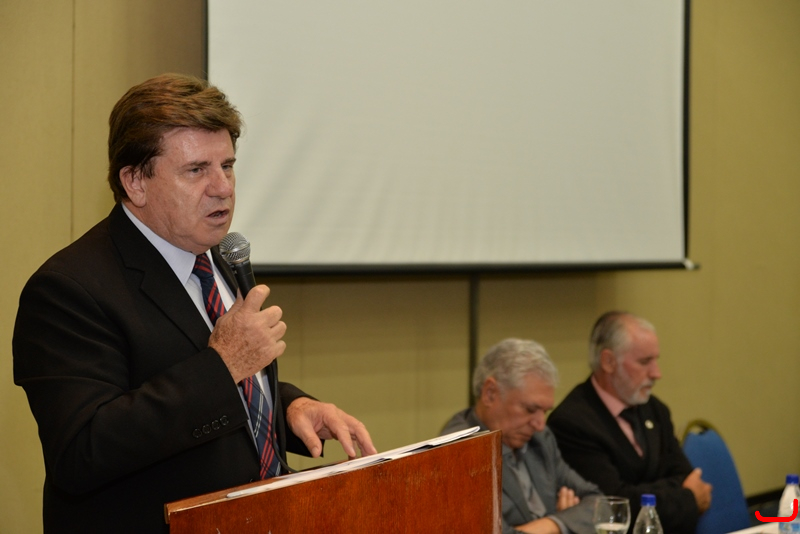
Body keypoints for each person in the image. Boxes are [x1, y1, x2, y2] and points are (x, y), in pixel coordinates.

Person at [13, 73, 377, 534]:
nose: (223, 187)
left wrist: (288, 408)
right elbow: (81, 451)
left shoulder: (214, 256)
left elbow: (206, 380)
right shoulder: (68, 289)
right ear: (135, 182)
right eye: (196, 170)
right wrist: (222, 365)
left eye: (227, 165)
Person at [547, 311, 712, 534]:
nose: (657, 373)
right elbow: (613, 507)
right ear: (608, 362)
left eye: (656, 360)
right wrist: (685, 498)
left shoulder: (655, 409)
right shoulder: (572, 423)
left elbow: (687, 476)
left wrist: (642, 493)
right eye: (644, 362)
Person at [441, 338, 601, 534]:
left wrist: (552, 524)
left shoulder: (541, 440)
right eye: (530, 409)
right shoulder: (457, 452)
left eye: (545, 412)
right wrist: (565, 523)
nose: (540, 425)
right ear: (490, 394)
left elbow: (600, 504)